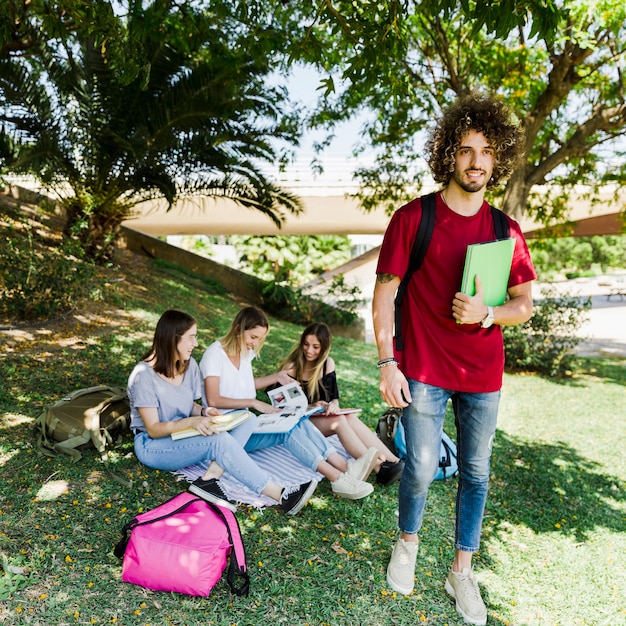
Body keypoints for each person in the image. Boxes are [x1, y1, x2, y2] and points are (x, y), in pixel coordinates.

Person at [372, 93, 536, 625]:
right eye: (466, 150)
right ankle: (408, 543)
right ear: (449, 155)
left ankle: (461, 571)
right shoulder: (413, 218)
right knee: (419, 467)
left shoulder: (504, 230)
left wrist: (488, 313)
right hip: (423, 368)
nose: (476, 161)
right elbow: (384, 294)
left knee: (477, 473)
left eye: (486, 151)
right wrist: (386, 361)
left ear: (498, 160)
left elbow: (524, 306)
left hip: (482, 375)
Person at [127, 309, 316, 516]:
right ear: (173, 337)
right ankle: (282, 495)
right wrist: (191, 422)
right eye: (191, 338)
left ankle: (209, 479)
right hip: (152, 445)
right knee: (219, 441)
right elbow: (153, 429)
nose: (196, 344)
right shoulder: (143, 376)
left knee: (248, 418)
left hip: (183, 436)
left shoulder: (188, 366)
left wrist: (205, 410)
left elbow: (187, 405)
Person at [199, 306, 375, 501]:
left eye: (259, 338)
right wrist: (253, 402)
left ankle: (345, 469)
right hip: (227, 430)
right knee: (287, 430)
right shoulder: (214, 355)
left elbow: (247, 385)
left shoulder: (243, 352)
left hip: (244, 423)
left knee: (294, 422)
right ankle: (338, 477)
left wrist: (278, 377)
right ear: (238, 328)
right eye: (253, 337)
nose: (255, 343)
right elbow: (213, 399)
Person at [281, 322, 404, 485]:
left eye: (315, 347)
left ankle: (394, 461)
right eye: (306, 344)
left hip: (319, 416)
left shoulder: (327, 364)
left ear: (324, 348)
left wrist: (333, 405)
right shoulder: (292, 368)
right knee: (338, 421)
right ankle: (379, 468)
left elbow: (334, 397)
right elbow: (281, 407)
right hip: (301, 423)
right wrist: (312, 406)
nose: (309, 351)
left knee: (349, 417)